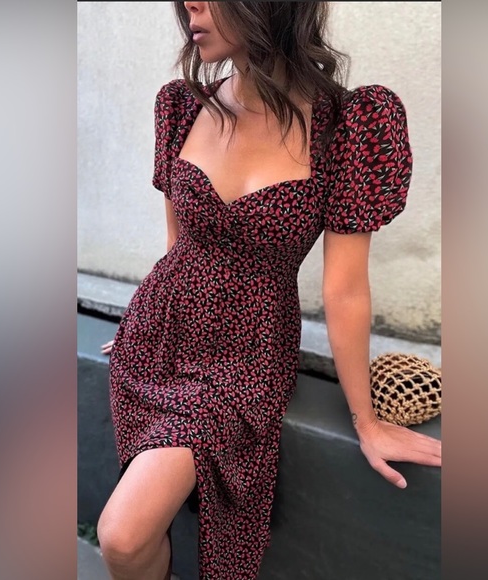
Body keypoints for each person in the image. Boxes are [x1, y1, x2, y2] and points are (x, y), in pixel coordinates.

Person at [96, 2, 442, 579]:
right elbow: (178, 245)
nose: (189, 7)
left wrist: (366, 420)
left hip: (245, 357)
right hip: (156, 338)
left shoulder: (349, 123)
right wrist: (144, 323)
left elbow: (345, 288)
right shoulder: (183, 105)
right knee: (134, 536)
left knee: (122, 536)